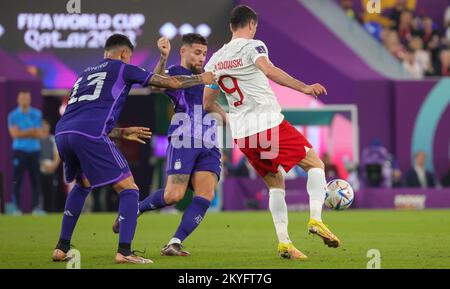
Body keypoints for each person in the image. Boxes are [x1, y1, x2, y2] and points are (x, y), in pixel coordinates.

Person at [51, 33, 215, 264]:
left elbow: (82, 117)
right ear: (125, 54)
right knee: (129, 190)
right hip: (91, 134)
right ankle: (124, 251)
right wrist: (202, 78)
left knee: (82, 183)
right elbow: (170, 83)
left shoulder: (84, 75)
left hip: (63, 132)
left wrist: (121, 132)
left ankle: (61, 247)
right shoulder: (123, 68)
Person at [203, 5, 339, 260]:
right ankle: (316, 219)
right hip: (267, 123)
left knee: (276, 183)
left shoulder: (215, 59)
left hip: (243, 135)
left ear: (231, 26)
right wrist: (305, 88)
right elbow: (269, 71)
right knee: (316, 164)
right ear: (252, 25)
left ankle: (285, 243)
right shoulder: (253, 47)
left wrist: (231, 120)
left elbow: (207, 102)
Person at [112, 34, 222, 257]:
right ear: (183, 51)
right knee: (174, 196)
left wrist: (232, 121)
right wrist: (163, 57)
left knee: (206, 194)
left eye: (204, 53)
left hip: (209, 142)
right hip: (184, 138)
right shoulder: (175, 71)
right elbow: (158, 83)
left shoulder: (208, 76)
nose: (202, 58)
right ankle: (136, 208)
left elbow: (210, 105)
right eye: (197, 52)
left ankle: (175, 242)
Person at [7, 89, 43, 215]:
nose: (24, 101)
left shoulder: (37, 114)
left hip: (34, 151)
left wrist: (22, 132)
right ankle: (16, 209)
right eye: (22, 98)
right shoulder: (13, 115)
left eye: (26, 98)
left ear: (30, 99)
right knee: (17, 180)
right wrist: (31, 131)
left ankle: (36, 208)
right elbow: (14, 134)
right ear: (18, 99)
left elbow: (39, 133)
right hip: (19, 151)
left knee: (36, 181)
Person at [40, 120, 61, 212]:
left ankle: (51, 210)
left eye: (46, 125)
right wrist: (43, 164)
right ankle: (39, 209)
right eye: (42, 126)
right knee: (40, 191)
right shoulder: (36, 140)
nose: (44, 128)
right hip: (40, 170)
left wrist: (53, 165)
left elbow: (57, 155)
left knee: (51, 191)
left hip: (52, 170)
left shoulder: (53, 139)